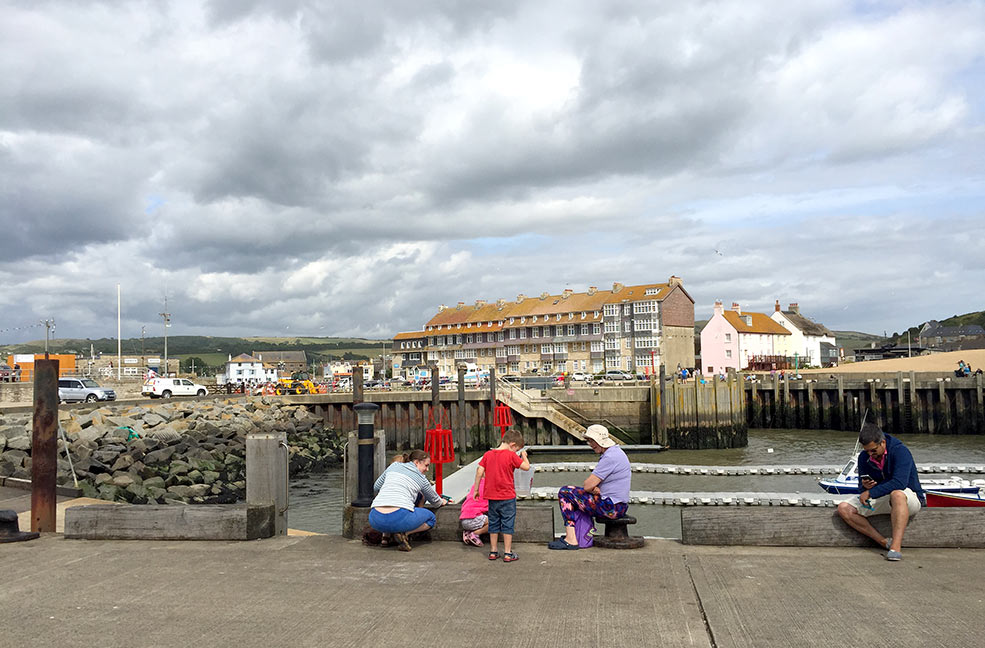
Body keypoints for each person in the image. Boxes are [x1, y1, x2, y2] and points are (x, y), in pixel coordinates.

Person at [836, 422, 925, 561]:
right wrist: (866, 486)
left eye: (873, 450)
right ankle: (883, 542)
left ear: (883, 442)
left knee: (897, 494)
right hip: (883, 496)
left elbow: (899, 483)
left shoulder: (900, 451)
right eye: (867, 451)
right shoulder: (864, 457)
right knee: (844, 508)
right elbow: (861, 488)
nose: (870, 454)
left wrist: (871, 492)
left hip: (909, 497)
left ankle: (896, 547)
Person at [548, 424, 631, 550]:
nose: (590, 444)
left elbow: (587, 485)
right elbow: (594, 485)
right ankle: (578, 536)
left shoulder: (610, 457)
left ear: (600, 441)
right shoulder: (617, 452)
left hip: (611, 507)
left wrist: (592, 489)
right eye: (589, 441)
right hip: (618, 505)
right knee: (576, 495)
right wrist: (594, 489)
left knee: (565, 492)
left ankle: (571, 539)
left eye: (592, 441)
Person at [369, 449, 449, 552]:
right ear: (416, 462)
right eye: (426, 465)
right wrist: (442, 501)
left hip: (375, 518)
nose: (427, 469)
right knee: (431, 519)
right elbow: (435, 501)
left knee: (391, 515)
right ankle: (404, 534)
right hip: (398, 516)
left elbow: (376, 486)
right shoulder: (421, 478)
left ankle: (386, 537)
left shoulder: (394, 466)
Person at [471, 429, 529, 562]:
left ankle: (493, 551)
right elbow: (526, 467)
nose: (516, 452)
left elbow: (479, 471)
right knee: (508, 524)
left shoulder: (488, 454)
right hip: (507, 496)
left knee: (494, 523)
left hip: (492, 497)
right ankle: (508, 553)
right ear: (512, 445)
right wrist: (524, 455)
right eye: (516, 449)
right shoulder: (511, 455)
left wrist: (476, 489)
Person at [459, 477, 489, 547]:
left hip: (464, 519)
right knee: (495, 523)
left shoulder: (475, 486)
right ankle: (475, 533)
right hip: (474, 518)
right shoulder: (488, 488)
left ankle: (468, 532)